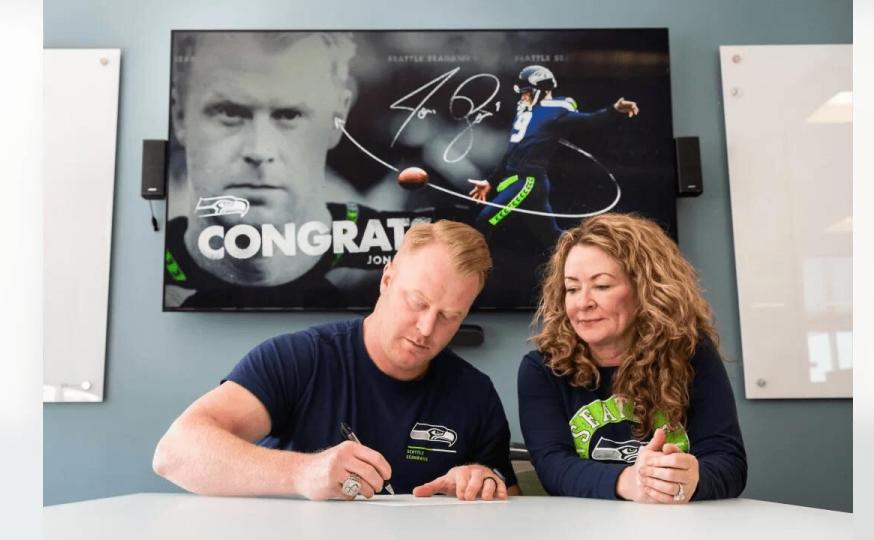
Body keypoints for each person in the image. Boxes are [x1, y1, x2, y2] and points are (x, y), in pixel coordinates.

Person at [154, 220, 520, 500]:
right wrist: (303, 472)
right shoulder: (300, 359)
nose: (426, 328)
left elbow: (510, 503)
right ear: (387, 280)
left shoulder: (474, 393)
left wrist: (481, 485)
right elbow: (176, 452)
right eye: (418, 303)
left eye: (448, 316)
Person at [165, 31, 436, 309]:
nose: (260, 150)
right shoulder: (152, 246)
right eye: (229, 112)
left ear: (337, 117)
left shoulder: (365, 260)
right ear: (179, 115)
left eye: (289, 114)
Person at [517, 213, 746, 502]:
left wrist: (692, 477)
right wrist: (631, 481)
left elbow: (729, 462)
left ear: (645, 290)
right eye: (572, 288)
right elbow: (553, 466)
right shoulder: (542, 369)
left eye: (602, 286)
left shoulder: (690, 352)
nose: (583, 302)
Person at [468, 65, 640, 248]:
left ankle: (476, 272)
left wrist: (614, 109)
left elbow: (590, 120)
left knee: (485, 221)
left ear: (542, 90)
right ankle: (593, 252)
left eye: (527, 91)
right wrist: (490, 182)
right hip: (520, 181)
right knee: (554, 239)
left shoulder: (556, 109)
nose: (523, 96)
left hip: (528, 183)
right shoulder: (525, 111)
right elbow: (511, 153)